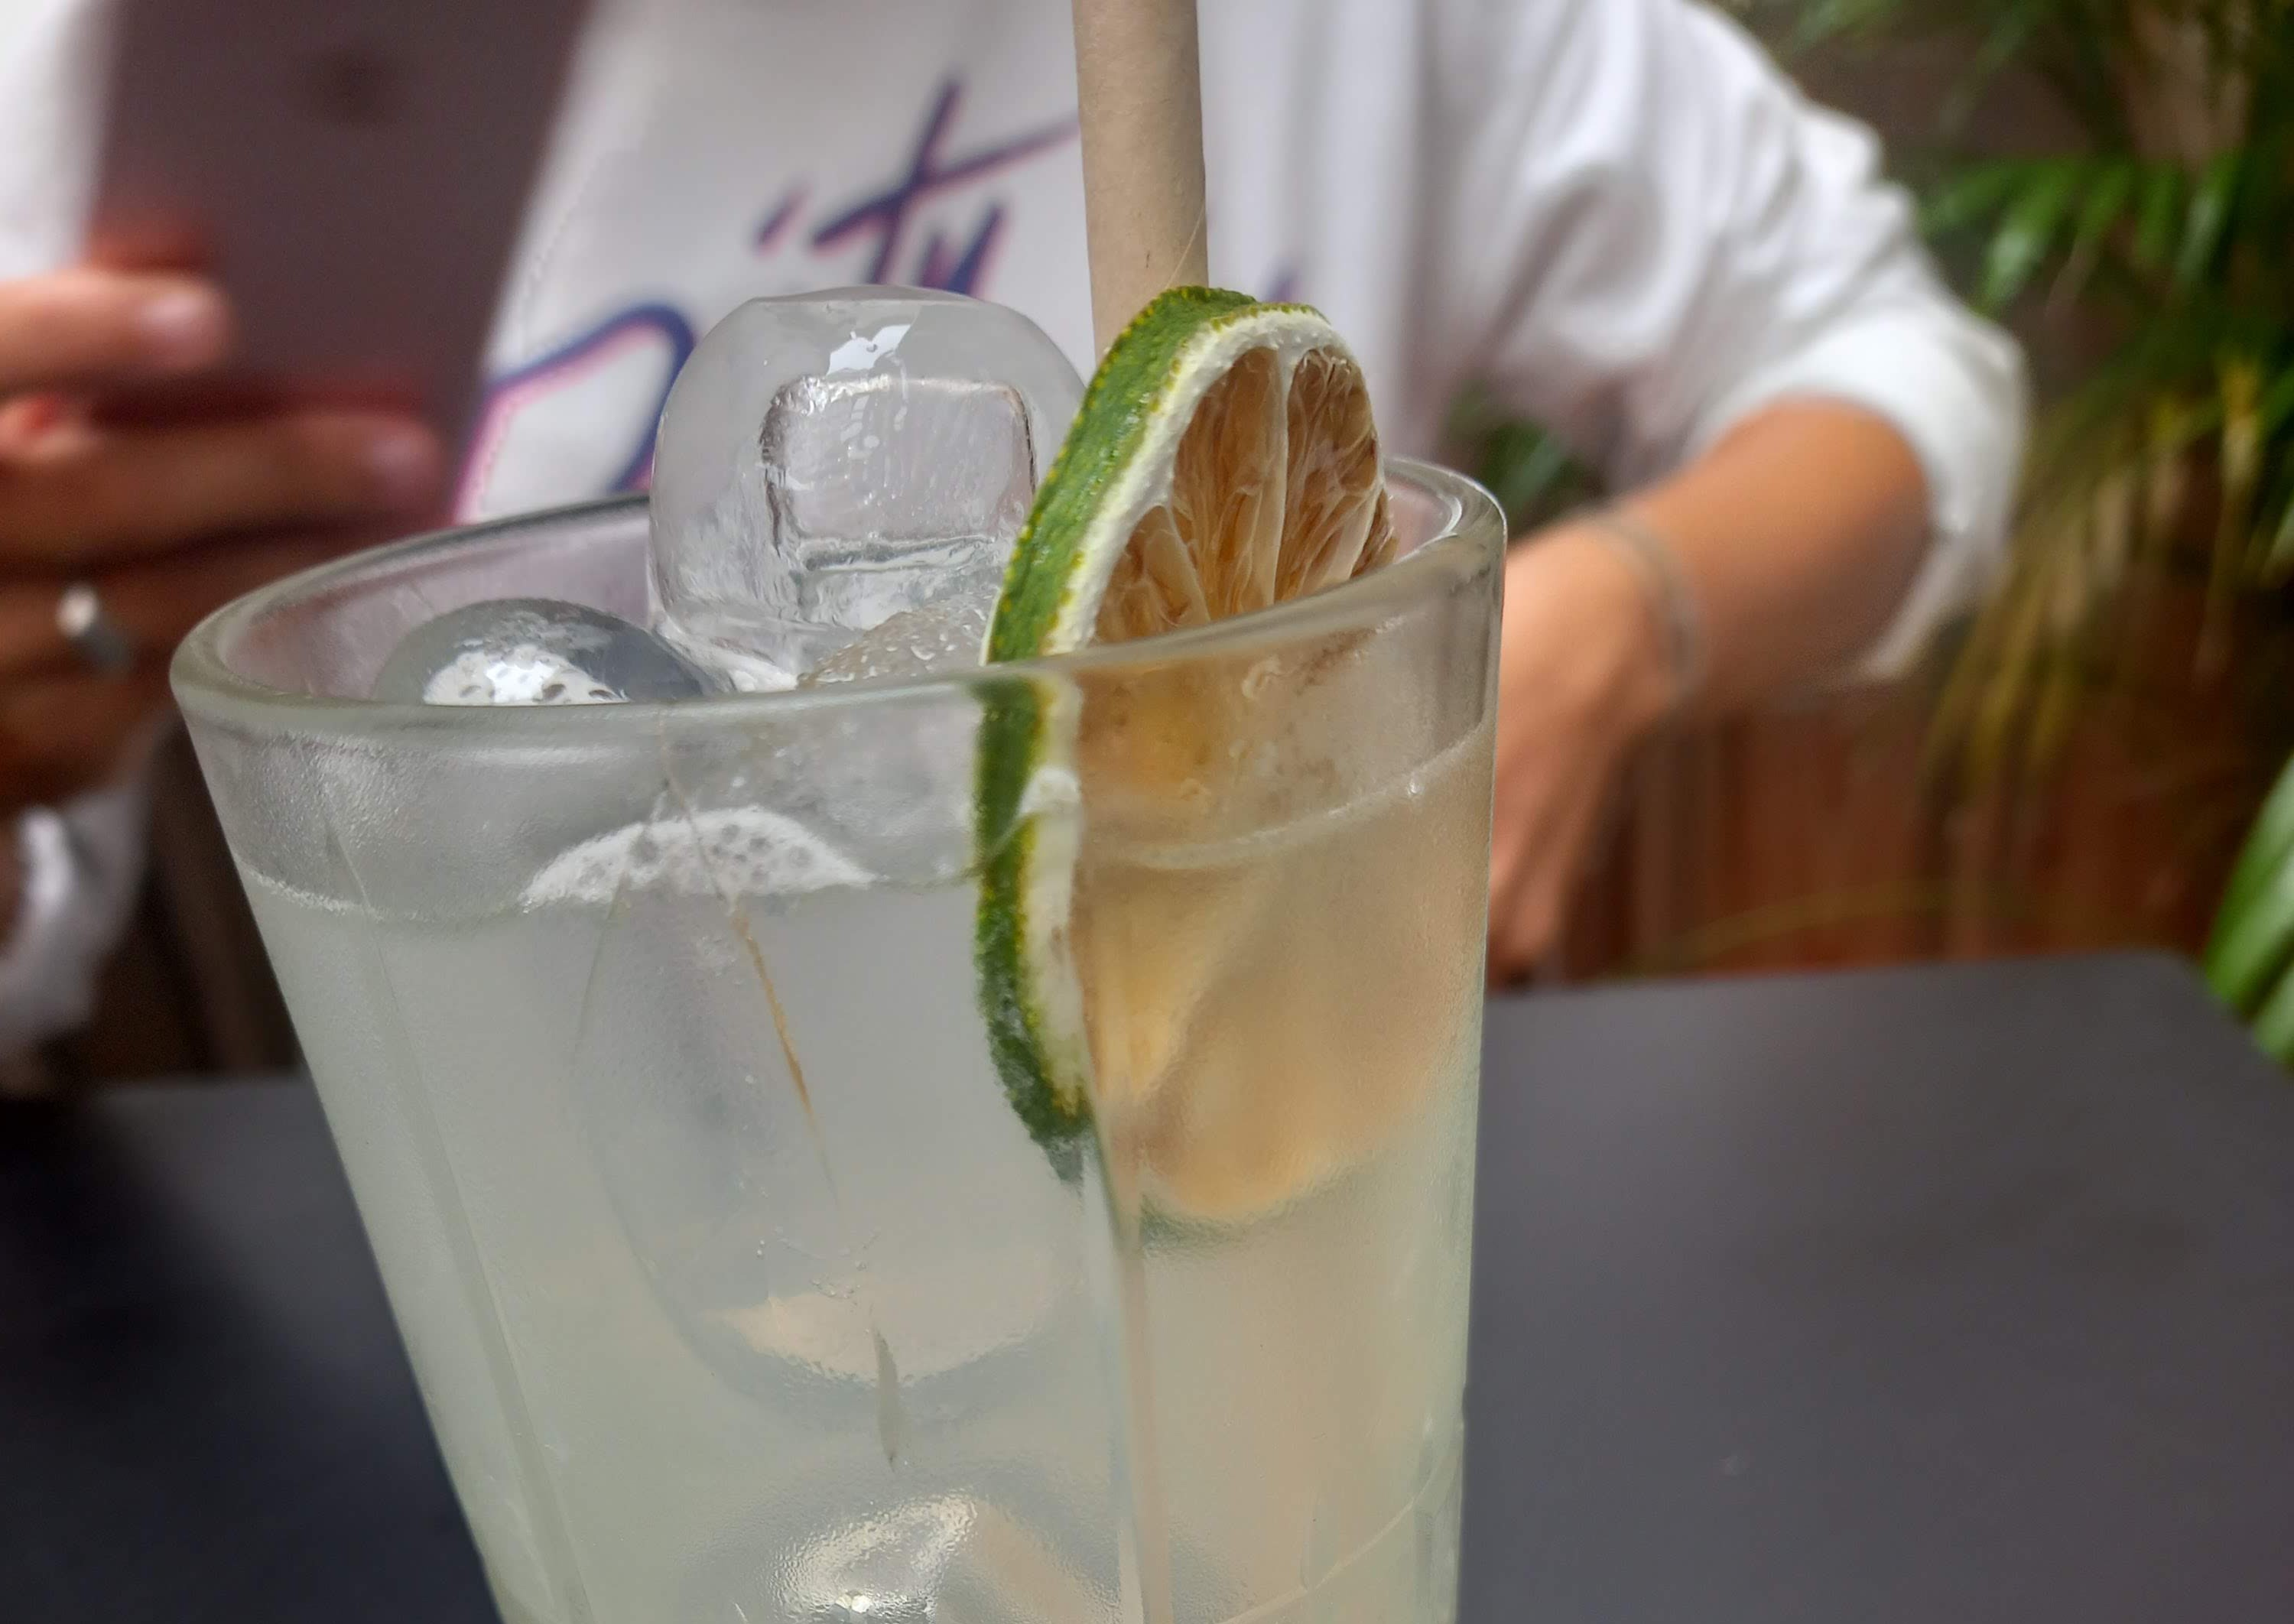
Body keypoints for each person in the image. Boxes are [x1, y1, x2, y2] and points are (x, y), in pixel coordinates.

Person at [0, 0, 2023, 1055]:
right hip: (564, 1252)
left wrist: (1603, 626)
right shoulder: (145, 68)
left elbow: (1902, 377)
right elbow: (36, 938)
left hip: (1229, 1115)